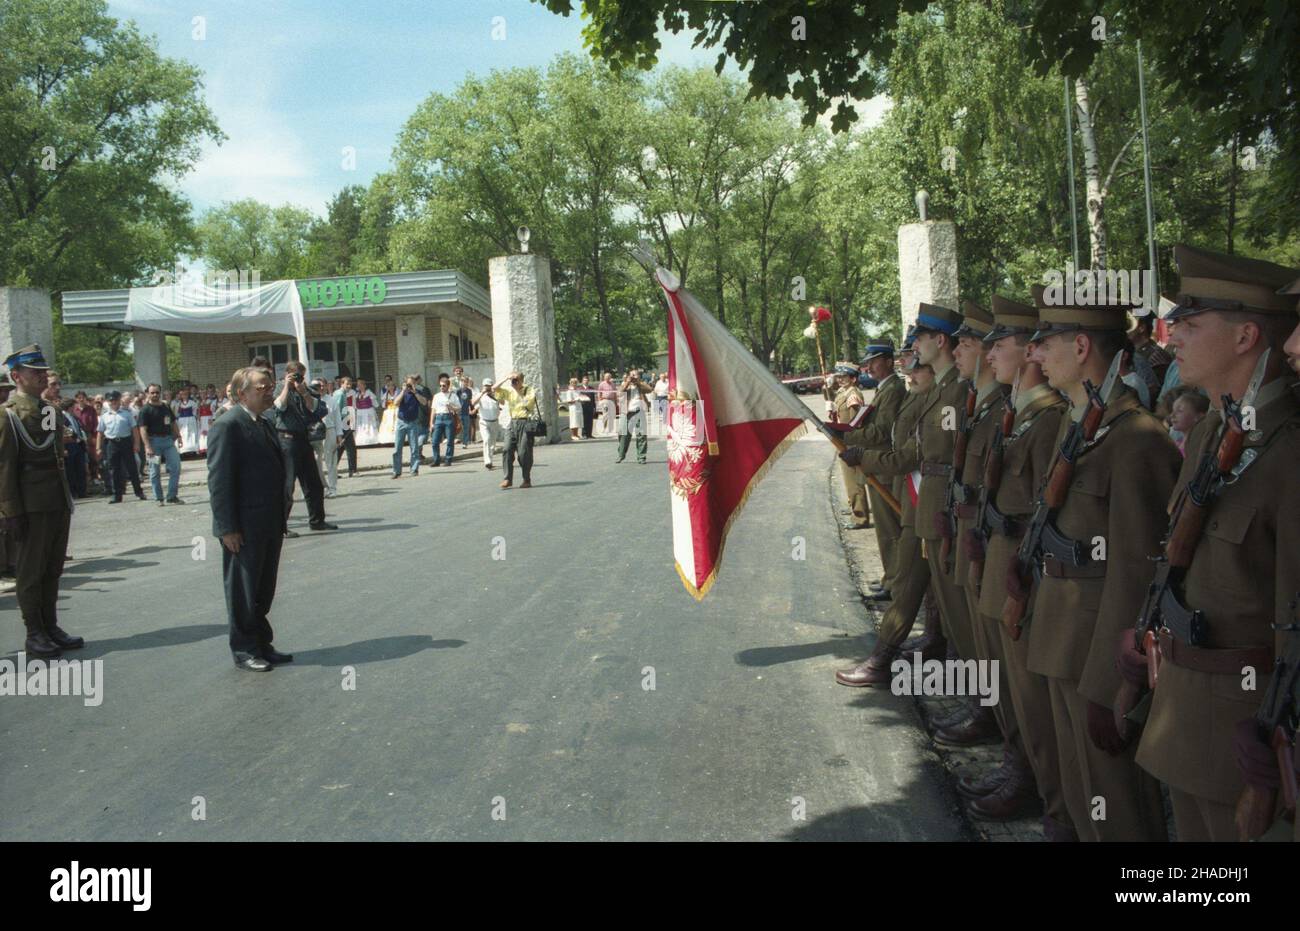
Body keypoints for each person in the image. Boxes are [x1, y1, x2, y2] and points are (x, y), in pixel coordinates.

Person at [1125, 245, 1300, 842]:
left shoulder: (1290, 452)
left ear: (1247, 335)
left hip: (1247, 728)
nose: (1171, 336)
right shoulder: (1207, 434)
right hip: (1184, 710)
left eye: (1192, 324)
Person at [1018, 285, 1175, 842]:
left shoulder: (1136, 441)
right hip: (1062, 637)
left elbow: (1137, 573)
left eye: (1046, 341)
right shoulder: (1077, 425)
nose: (1034, 354)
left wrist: (1116, 684)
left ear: (1082, 345)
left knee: (1119, 808)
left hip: (1098, 655)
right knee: (1087, 799)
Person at [964, 297, 1072, 833]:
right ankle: (1022, 771)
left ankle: (1047, 798)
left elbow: (1040, 509)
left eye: (998, 345)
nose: (989, 355)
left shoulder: (1048, 418)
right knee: (1014, 690)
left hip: (1024, 569)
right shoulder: (1019, 413)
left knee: (1032, 698)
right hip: (1002, 556)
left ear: (1029, 352)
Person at [836, 332, 941, 685]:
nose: (907, 362)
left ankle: (886, 657)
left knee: (913, 565)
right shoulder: (911, 392)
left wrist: (856, 445)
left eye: (913, 354)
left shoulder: (921, 394)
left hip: (921, 489)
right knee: (903, 552)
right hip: (910, 483)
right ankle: (926, 639)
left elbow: (897, 440)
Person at [207, 366, 293, 672]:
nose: (269, 390)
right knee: (243, 589)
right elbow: (219, 481)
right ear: (241, 393)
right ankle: (244, 648)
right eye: (262, 387)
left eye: (270, 386)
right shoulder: (228, 425)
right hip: (243, 526)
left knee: (262, 588)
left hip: (268, 521)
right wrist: (226, 527)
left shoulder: (264, 423)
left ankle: (261, 643)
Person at [0, 345, 84, 658]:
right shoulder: (7, 415)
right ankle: (34, 632)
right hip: (29, 504)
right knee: (30, 572)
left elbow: (54, 453)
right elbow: (5, 466)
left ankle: (51, 626)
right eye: (34, 371)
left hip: (55, 499)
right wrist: (10, 511)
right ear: (16, 376)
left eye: (42, 371)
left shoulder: (49, 411)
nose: (41, 376)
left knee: (53, 568)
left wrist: (65, 498)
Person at [846, 338, 904, 600]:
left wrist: (848, 436)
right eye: (867, 362)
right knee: (885, 530)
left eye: (874, 361)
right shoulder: (885, 388)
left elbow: (882, 431)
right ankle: (889, 577)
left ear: (889, 362)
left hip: (884, 467)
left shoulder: (893, 389)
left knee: (891, 531)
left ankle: (894, 582)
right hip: (877, 465)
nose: (869, 366)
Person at [270, 361, 335, 537]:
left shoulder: (305, 389)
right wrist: (286, 386)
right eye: (296, 375)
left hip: (304, 440)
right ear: (287, 374)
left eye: (302, 375)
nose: (299, 378)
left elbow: (318, 410)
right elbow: (278, 407)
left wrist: (303, 392)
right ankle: (281, 527)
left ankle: (317, 521)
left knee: (314, 484)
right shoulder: (279, 389)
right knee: (287, 486)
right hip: (286, 440)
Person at [830, 362, 868, 528]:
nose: (840, 380)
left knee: (854, 481)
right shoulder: (842, 393)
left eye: (844, 377)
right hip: (843, 441)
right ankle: (854, 508)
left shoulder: (853, 395)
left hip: (850, 442)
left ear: (853, 378)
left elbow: (856, 423)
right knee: (848, 481)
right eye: (839, 377)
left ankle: (860, 517)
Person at [137, 383, 184, 505]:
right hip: (153, 443)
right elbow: (142, 429)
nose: (155, 395)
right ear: (148, 393)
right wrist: (147, 446)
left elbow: (173, 422)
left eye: (157, 392)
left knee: (176, 467)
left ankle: (172, 496)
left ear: (160, 393)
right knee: (154, 471)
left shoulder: (165, 407)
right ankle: (158, 498)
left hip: (168, 441)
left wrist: (178, 436)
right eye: (152, 392)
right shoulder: (145, 410)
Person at [97, 390, 145, 502]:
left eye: (115, 400)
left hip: (126, 442)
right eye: (111, 400)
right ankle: (117, 495)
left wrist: (137, 443)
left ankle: (139, 492)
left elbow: (134, 430)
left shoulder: (127, 414)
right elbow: (100, 432)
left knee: (132, 468)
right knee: (114, 470)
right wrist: (98, 448)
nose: (113, 402)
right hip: (111, 444)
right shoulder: (104, 416)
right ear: (108, 402)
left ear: (119, 401)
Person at [494, 370, 539, 489]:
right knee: (507, 449)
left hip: (525, 422)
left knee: (523, 453)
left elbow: (528, 404)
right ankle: (507, 478)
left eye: (516, 380)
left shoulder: (528, 390)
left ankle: (526, 479)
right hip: (512, 422)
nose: (514, 382)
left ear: (521, 380)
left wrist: (518, 390)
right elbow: (494, 388)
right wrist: (505, 378)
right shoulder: (509, 390)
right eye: (513, 380)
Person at [391, 374, 427, 478]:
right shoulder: (401, 392)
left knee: (414, 447)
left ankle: (414, 469)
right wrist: (403, 391)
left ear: (415, 383)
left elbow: (424, 402)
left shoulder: (418, 392)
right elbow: (396, 403)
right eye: (408, 384)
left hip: (413, 422)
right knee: (397, 448)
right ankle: (396, 471)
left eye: (412, 383)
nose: (410, 386)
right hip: (401, 422)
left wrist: (415, 392)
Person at [616, 369, 653, 464]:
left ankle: (641, 457)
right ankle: (621, 455)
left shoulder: (641, 384)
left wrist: (638, 383)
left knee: (641, 435)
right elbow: (620, 393)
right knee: (624, 434)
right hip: (627, 413)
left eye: (635, 375)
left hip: (639, 411)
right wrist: (628, 383)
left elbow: (649, 390)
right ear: (629, 376)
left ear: (639, 376)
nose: (633, 377)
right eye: (632, 375)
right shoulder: (625, 384)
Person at [314, 377, 341, 497]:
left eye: (322, 385)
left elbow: (337, 418)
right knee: (316, 462)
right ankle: (322, 487)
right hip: (314, 434)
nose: (320, 388)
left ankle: (332, 488)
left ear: (326, 386)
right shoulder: (310, 400)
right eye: (317, 386)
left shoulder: (332, 400)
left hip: (330, 431)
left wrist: (339, 435)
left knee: (330, 462)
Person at [427, 373, 459, 467]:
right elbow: (433, 409)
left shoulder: (453, 395)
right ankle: (436, 460)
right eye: (440, 385)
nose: (442, 387)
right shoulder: (436, 396)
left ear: (448, 386)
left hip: (448, 417)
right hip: (438, 418)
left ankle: (448, 459)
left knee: (449, 440)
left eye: (444, 386)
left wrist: (451, 406)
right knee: (435, 441)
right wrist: (431, 423)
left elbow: (458, 408)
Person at [472, 378, 502, 469]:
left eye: (489, 386)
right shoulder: (480, 395)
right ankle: (487, 461)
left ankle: (490, 460)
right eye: (486, 386)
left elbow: (503, 402)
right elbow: (473, 402)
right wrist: (482, 393)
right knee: (486, 439)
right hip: (484, 422)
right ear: (483, 386)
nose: (487, 387)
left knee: (492, 443)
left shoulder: (495, 395)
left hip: (494, 422)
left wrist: (494, 394)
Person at [1168, 389, 1208, 455]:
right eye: (1173, 410)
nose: (1172, 415)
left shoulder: (1198, 448)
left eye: (1179, 410)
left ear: (1199, 416)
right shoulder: (1176, 443)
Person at [333, 376, 358, 476]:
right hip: (343, 423)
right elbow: (338, 410)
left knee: (341, 447)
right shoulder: (340, 394)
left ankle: (333, 470)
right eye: (347, 383)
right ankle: (352, 470)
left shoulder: (341, 393)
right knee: (351, 447)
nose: (349, 386)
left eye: (350, 384)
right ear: (341, 384)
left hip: (344, 421)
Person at [172, 385, 201, 455]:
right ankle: (183, 450)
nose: (184, 396)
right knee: (183, 434)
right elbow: (176, 413)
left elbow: (195, 411)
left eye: (186, 394)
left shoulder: (192, 402)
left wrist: (195, 417)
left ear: (188, 395)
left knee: (192, 434)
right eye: (182, 395)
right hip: (182, 420)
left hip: (191, 419)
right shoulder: (178, 404)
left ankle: (192, 449)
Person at [353, 378, 380, 446]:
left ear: (364, 385)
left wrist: (372, 402)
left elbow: (376, 404)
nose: (359, 386)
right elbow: (355, 406)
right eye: (358, 385)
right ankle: (361, 441)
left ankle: (371, 440)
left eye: (361, 384)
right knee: (361, 426)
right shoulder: (356, 395)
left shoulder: (369, 393)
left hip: (368, 412)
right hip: (360, 412)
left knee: (369, 425)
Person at [377, 375, 398, 445]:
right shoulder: (385, 394)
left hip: (396, 410)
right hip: (389, 411)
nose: (391, 387)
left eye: (392, 386)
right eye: (389, 386)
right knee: (388, 424)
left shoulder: (397, 392)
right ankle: (388, 440)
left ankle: (397, 439)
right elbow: (383, 403)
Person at [457, 375, 475, 446]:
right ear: (461, 382)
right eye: (463, 381)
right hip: (459, 412)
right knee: (458, 427)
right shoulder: (458, 391)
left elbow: (470, 401)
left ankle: (465, 442)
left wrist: (471, 409)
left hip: (466, 412)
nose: (464, 383)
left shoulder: (469, 391)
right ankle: (458, 440)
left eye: (466, 382)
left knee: (466, 428)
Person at [597, 371, 616, 436]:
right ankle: (604, 428)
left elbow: (615, 393)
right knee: (605, 415)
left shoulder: (613, 384)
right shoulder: (601, 384)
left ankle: (611, 429)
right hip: (605, 401)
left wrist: (615, 402)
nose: (608, 378)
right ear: (604, 377)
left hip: (611, 401)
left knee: (612, 415)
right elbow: (599, 393)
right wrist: (600, 400)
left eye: (609, 377)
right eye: (606, 377)